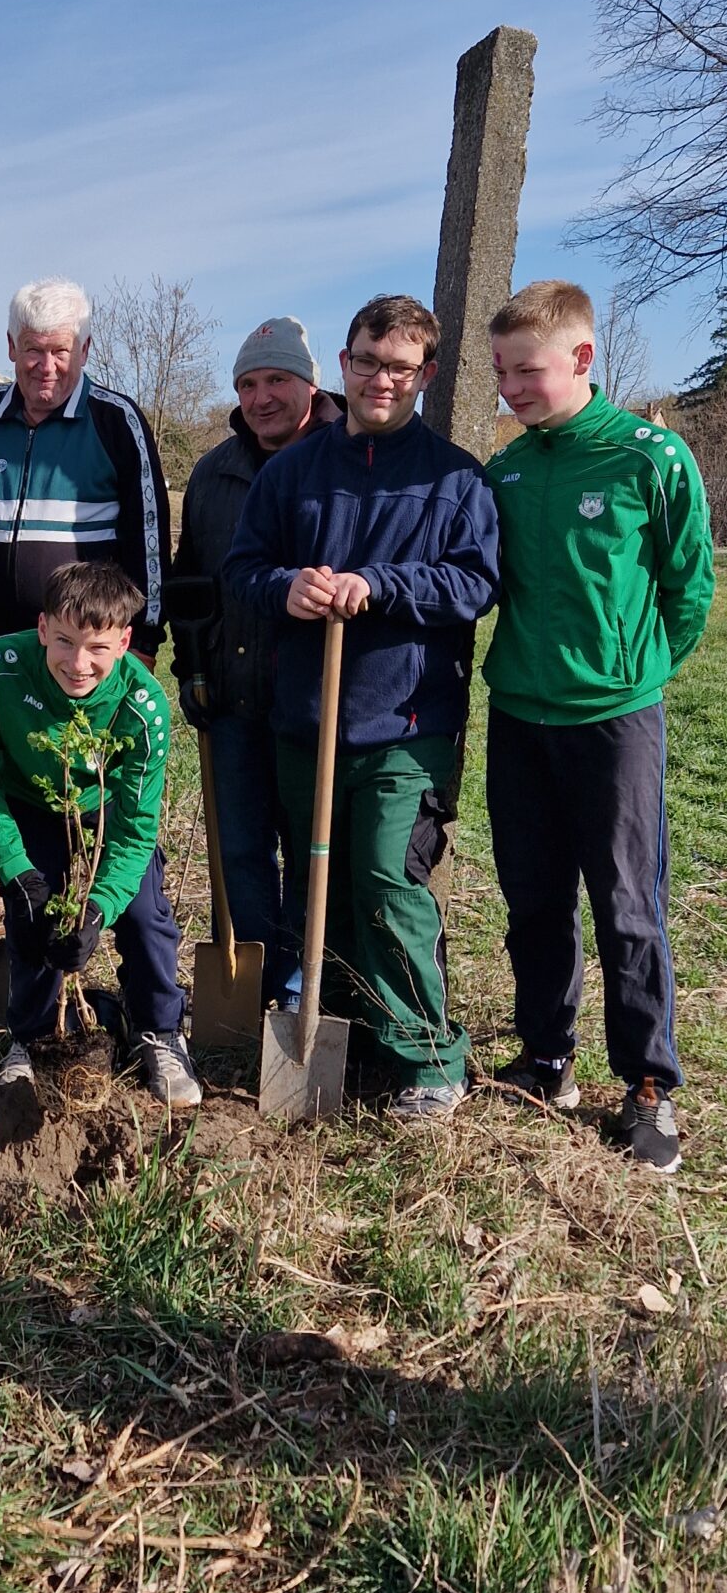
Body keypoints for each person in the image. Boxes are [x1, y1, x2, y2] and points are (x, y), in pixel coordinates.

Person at [226, 294, 499, 1121]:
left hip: (405, 722)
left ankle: (428, 1058)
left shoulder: (453, 478)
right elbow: (243, 571)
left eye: (401, 367)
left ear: (427, 374)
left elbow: (474, 583)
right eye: (368, 362)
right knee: (327, 892)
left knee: (388, 882)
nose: (382, 379)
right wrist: (289, 588)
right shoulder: (291, 473)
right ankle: (355, 1042)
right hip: (306, 719)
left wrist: (379, 585)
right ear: (342, 366)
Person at [484, 280, 715, 1175]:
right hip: (517, 715)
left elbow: (687, 587)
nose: (510, 388)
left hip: (614, 723)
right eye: (501, 372)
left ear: (581, 359)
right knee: (532, 899)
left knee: (625, 906)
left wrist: (635, 671)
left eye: (526, 370)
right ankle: (546, 1059)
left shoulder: (650, 458)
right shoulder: (505, 470)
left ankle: (648, 1085)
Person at [0, 559, 202, 1106]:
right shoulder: (1, 669)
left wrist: (98, 905)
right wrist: (16, 872)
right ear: (42, 628)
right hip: (28, 805)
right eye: (64, 641)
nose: (79, 663)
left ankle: (158, 1031)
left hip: (106, 811)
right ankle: (32, 1036)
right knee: (35, 915)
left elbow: (137, 829)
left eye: (97, 648)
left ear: (124, 642)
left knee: (143, 914)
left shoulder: (142, 708)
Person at [170, 316, 341, 1003]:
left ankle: (305, 988)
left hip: (313, 702)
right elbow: (189, 584)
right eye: (247, 383)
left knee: (311, 853)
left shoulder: (343, 457)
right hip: (233, 696)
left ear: (309, 383)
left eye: (276, 379)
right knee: (240, 851)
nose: (260, 396)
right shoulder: (215, 473)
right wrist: (192, 670)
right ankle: (260, 985)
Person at [0, 279, 170, 663]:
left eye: (60, 351)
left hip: (84, 655)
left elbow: (148, 538)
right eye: (33, 350)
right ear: (11, 346)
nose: (46, 367)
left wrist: (145, 641)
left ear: (84, 350)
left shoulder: (117, 420)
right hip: (3, 647)